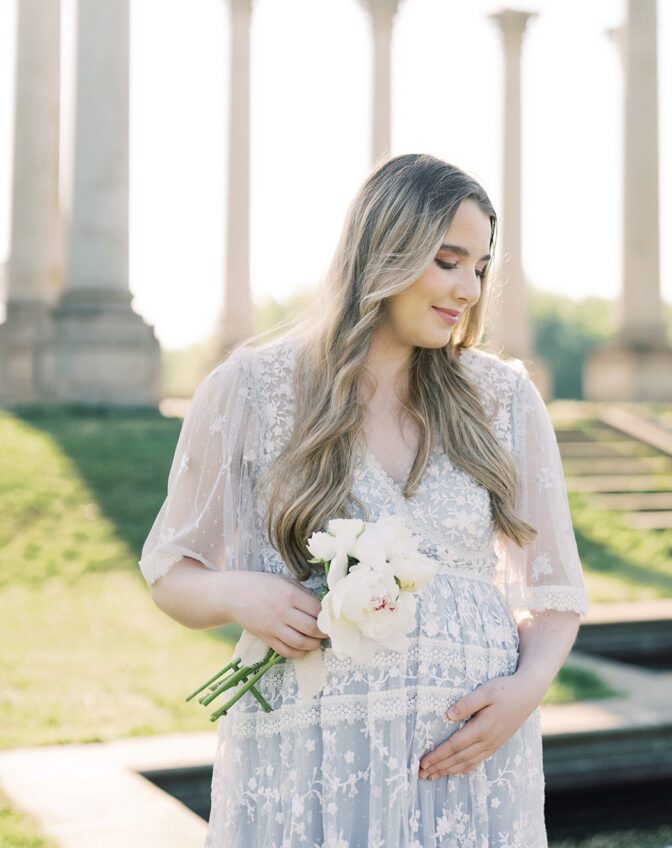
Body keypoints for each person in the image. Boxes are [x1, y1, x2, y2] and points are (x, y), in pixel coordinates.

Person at [139, 152, 589, 847]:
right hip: (309, 763)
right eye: (448, 260)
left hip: (469, 769)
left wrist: (525, 694)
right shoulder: (251, 390)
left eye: (480, 267)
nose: (469, 288)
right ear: (385, 248)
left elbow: (556, 594)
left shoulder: (504, 399)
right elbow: (170, 570)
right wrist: (239, 596)